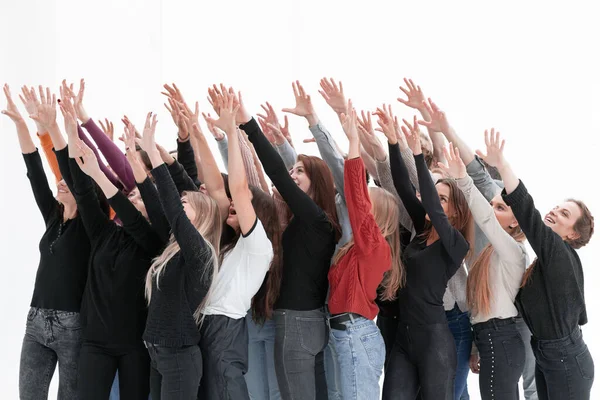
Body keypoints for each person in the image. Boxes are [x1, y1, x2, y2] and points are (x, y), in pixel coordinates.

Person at [479, 129, 595, 400]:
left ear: (573, 233)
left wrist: (503, 166)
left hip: (566, 361)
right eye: (556, 207)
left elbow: (526, 211)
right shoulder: (550, 259)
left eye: (564, 213)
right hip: (551, 355)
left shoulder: (559, 252)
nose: (554, 211)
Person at [243, 82, 341, 400]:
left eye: (300, 171)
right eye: (294, 169)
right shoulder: (316, 221)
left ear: (317, 181)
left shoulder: (314, 219)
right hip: (313, 323)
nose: (293, 174)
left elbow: (276, 175)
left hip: (296, 325)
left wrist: (249, 126)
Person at [382, 116, 473, 400]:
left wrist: (419, 156)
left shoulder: (456, 244)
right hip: (403, 340)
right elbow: (402, 185)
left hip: (435, 344)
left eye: (443, 198)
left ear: (456, 211)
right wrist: (394, 143)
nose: (434, 199)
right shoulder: (422, 230)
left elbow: (432, 207)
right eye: (437, 196)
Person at [438, 142, 528, 400]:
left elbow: (486, 219)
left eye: (500, 207)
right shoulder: (488, 253)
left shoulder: (514, 251)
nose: (491, 210)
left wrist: (463, 179)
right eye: (491, 204)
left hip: (502, 342)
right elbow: (481, 305)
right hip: (490, 339)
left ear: (515, 221)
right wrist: (477, 345)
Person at [327, 103, 402, 399]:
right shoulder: (359, 248)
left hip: (355, 336)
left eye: (367, 207)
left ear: (376, 214)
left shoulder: (375, 247)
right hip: (345, 336)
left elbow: (357, 200)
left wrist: (354, 143)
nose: (360, 207)